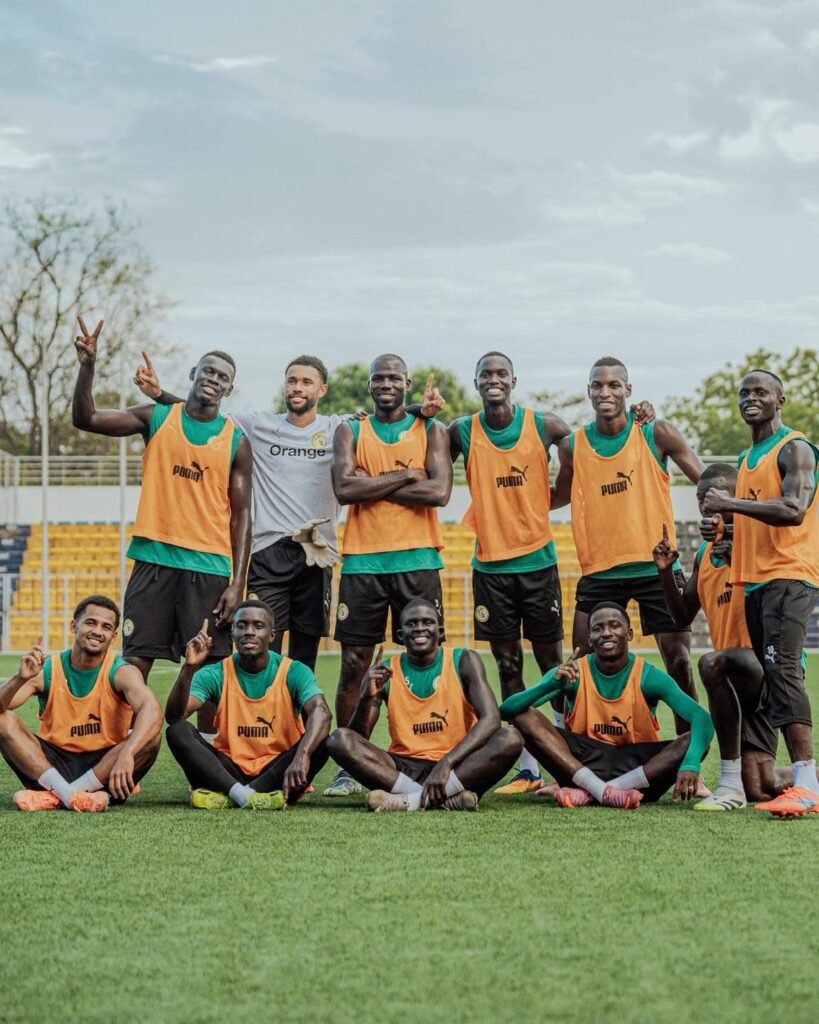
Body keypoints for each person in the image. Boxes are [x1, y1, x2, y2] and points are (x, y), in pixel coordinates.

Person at [133, 354, 444, 671]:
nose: (298, 387)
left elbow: (388, 415)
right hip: (269, 552)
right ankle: (261, 716)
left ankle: (298, 721)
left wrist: (421, 410)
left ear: (322, 390)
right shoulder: (258, 425)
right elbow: (206, 414)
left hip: (316, 552)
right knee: (261, 652)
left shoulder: (340, 427)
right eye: (292, 380)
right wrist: (161, 396)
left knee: (304, 656)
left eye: (307, 382)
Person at [449, 350, 654, 794]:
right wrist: (412, 410)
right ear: (477, 381)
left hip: (538, 562)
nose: (494, 380)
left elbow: (579, 456)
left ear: (514, 380)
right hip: (490, 566)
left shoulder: (545, 425)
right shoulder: (462, 431)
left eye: (501, 373)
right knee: (507, 664)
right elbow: (420, 439)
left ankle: (568, 756)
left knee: (553, 663)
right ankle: (529, 768)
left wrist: (640, 418)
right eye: (486, 374)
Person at [72, 316, 252, 735]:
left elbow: (243, 516)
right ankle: (118, 748)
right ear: (193, 374)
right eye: (207, 370)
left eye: (222, 377)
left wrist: (236, 583)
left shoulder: (236, 441)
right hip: (153, 560)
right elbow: (87, 419)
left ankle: (210, 763)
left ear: (229, 389)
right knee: (134, 662)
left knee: (210, 665)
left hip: (208, 568)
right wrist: (87, 366)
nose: (213, 379)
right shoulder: (156, 417)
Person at [552, 356, 704, 730]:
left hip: (658, 567)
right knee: (578, 668)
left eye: (614, 385)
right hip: (600, 569)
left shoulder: (657, 433)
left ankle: (689, 764)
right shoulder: (574, 446)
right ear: (588, 392)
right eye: (597, 386)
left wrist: (730, 516)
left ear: (628, 390)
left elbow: (706, 480)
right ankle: (581, 764)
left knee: (680, 665)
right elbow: (557, 496)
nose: (605, 392)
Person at [326, 354, 453, 796]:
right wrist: (404, 475)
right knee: (355, 665)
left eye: (394, 378)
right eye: (378, 378)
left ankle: (431, 752)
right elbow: (344, 488)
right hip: (363, 562)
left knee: (426, 663)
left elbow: (437, 493)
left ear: (408, 384)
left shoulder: (431, 430)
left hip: (418, 562)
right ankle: (349, 762)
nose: (386, 384)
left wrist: (373, 482)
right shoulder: (351, 429)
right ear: (368, 384)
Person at [701, 370, 819, 817]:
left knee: (783, 668)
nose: (751, 398)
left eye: (760, 392)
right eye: (744, 393)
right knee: (774, 675)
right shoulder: (749, 457)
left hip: (789, 575)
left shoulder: (795, 447)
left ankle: (806, 782)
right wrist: (729, 528)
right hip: (754, 579)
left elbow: (793, 509)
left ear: (780, 400)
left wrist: (729, 504)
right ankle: (788, 778)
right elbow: (756, 516)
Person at [653, 464, 785, 811]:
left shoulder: (759, 539)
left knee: (712, 662)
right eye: (701, 496)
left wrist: (739, 551)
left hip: (765, 667)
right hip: (733, 682)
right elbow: (682, 615)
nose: (707, 502)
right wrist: (667, 574)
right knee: (761, 785)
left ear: (737, 497)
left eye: (717, 494)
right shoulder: (702, 554)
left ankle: (727, 785)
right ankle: (806, 777)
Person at [499, 604, 714, 808]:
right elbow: (508, 711)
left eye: (614, 625)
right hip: (583, 762)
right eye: (597, 629)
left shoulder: (648, 676)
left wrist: (691, 764)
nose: (606, 633)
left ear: (629, 634)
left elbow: (702, 719)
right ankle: (603, 791)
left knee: (689, 741)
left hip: (639, 768)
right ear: (590, 640)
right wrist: (548, 684)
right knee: (524, 718)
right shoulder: (574, 673)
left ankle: (594, 792)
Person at [326, 598, 523, 811]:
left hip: (459, 764)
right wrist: (365, 698)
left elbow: (492, 719)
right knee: (339, 739)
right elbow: (357, 739)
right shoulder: (386, 671)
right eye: (412, 624)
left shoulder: (464, 660)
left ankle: (409, 801)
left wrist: (446, 764)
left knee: (511, 737)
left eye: (427, 622)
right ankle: (448, 798)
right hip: (404, 766)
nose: (420, 628)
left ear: (440, 631)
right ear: (400, 635)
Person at [0, 595, 162, 812]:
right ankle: (74, 796)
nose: (97, 631)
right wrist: (19, 678)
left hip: (104, 764)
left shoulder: (121, 672)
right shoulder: (49, 669)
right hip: (51, 764)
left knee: (152, 739)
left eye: (106, 627)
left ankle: (56, 796)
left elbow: (152, 711)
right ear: (74, 626)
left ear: (113, 636)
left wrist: (127, 753)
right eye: (91, 622)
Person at [164, 601, 332, 809]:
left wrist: (302, 756)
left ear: (272, 635)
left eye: (258, 626)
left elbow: (322, 712)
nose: (249, 632)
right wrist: (188, 668)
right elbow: (174, 716)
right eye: (242, 626)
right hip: (229, 770)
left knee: (324, 740)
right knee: (177, 731)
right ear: (232, 633)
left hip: (279, 769)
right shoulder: (216, 673)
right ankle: (249, 796)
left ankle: (232, 795)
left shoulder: (293, 671)